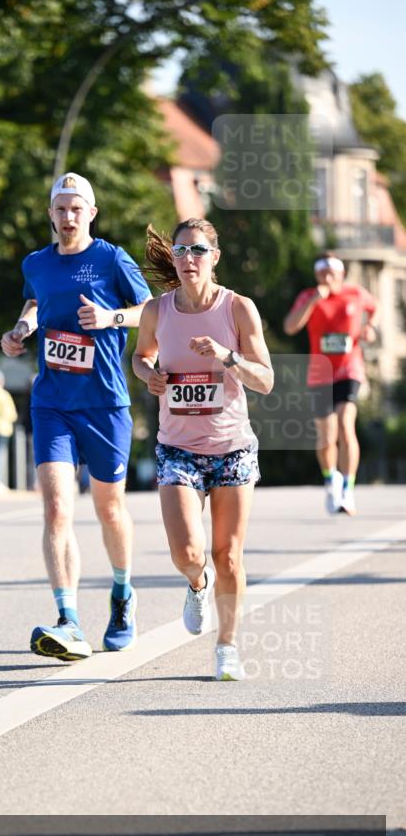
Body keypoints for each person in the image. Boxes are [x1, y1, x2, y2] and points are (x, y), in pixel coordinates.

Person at [0, 171, 152, 661]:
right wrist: (22, 328)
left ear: (91, 213)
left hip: (105, 402)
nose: (68, 217)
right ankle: (68, 620)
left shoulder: (110, 258)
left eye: (76, 209)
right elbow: (36, 301)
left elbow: (150, 311)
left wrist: (112, 318)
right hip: (52, 402)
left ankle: (123, 593)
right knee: (57, 509)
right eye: (60, 209)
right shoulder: (36, 263)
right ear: (50, 214)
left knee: (109, 509)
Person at [132, 219, 273, 681]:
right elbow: (142, 354)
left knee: (228, 554)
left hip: (232, 447)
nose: (188, 258)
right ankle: (197, 584)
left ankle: (227, 646)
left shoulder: (238, 309)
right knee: (188, 552)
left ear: (214, 256)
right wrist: (147, 372)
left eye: (198, 250)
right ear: (172, 257)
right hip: (177, 447)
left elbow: (266, 380)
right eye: (181, 250)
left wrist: (226, 356)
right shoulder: (157, 310)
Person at [284, 252, 378, 516]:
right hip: (320, 373)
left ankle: (348, 488)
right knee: (326, 436)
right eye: (321, 274)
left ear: (341, 275)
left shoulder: (356, 294)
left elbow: (375, 307)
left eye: (331, 274)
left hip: (350, 368)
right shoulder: (308, 296)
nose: (326, 278)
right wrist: (314, 300)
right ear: (316, 275)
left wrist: (370, 327)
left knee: (346, 425)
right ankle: (331, 481)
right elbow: (290, 326)